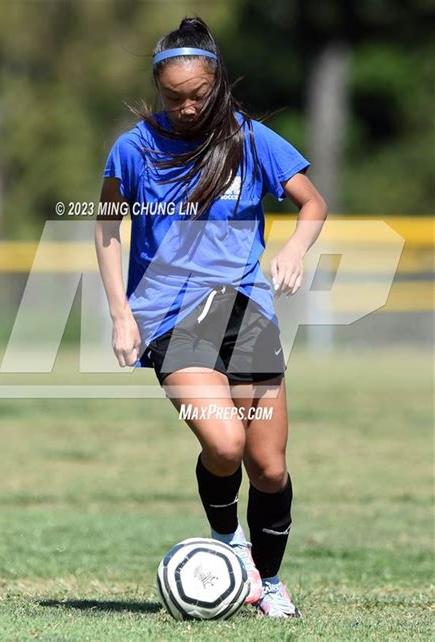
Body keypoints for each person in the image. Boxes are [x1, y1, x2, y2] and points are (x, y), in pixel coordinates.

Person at [95, 16, 327, 619]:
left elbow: (311, 202)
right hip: (170, 318)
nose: (188, 107)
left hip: (245, 312)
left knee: (269, 466)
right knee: (224, 443)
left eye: (199, 95)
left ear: (217, 83)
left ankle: (269, 585)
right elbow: (105, 226)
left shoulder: (251, 139)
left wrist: (295, 250)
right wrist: (121, 313)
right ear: (157, 88)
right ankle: (230, 548)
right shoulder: (134, 148)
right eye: (175, 98)